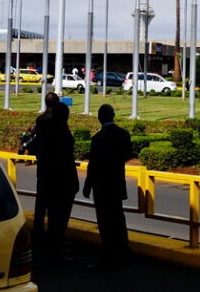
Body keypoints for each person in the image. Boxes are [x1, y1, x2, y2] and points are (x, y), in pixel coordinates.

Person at [83, 104, 133, 268]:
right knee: (118, 216)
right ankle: (123, 249)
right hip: (117, 182)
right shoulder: (124, 134)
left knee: (104, 220)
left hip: (101, 184)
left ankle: (108, 254)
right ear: (113, 116)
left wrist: (87, 186)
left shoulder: (97, 139)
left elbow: (93, 165)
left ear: (100, 118)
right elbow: (128, 154)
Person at [32, 91, 79, 263]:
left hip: (45, 173)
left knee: (44, 208)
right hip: (62, 179)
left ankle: (44, 240)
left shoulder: (42, 124)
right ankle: (55, 248)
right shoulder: (61, 132)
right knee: (59, 215)